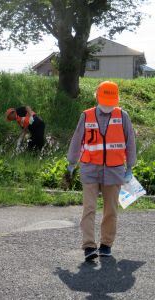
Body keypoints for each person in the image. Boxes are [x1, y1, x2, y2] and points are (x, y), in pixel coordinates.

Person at [66, 81, 136, 262]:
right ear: (97, 97)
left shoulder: (123, 116)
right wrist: (71, 163)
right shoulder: (86, 116)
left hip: (114, 171)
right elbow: (76, 140)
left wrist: (130, 167)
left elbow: (130, 143)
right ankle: (89, 246)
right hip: (90, 169)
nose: (107, 106)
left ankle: (106, 244)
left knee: (110, 210)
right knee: (89, 208)